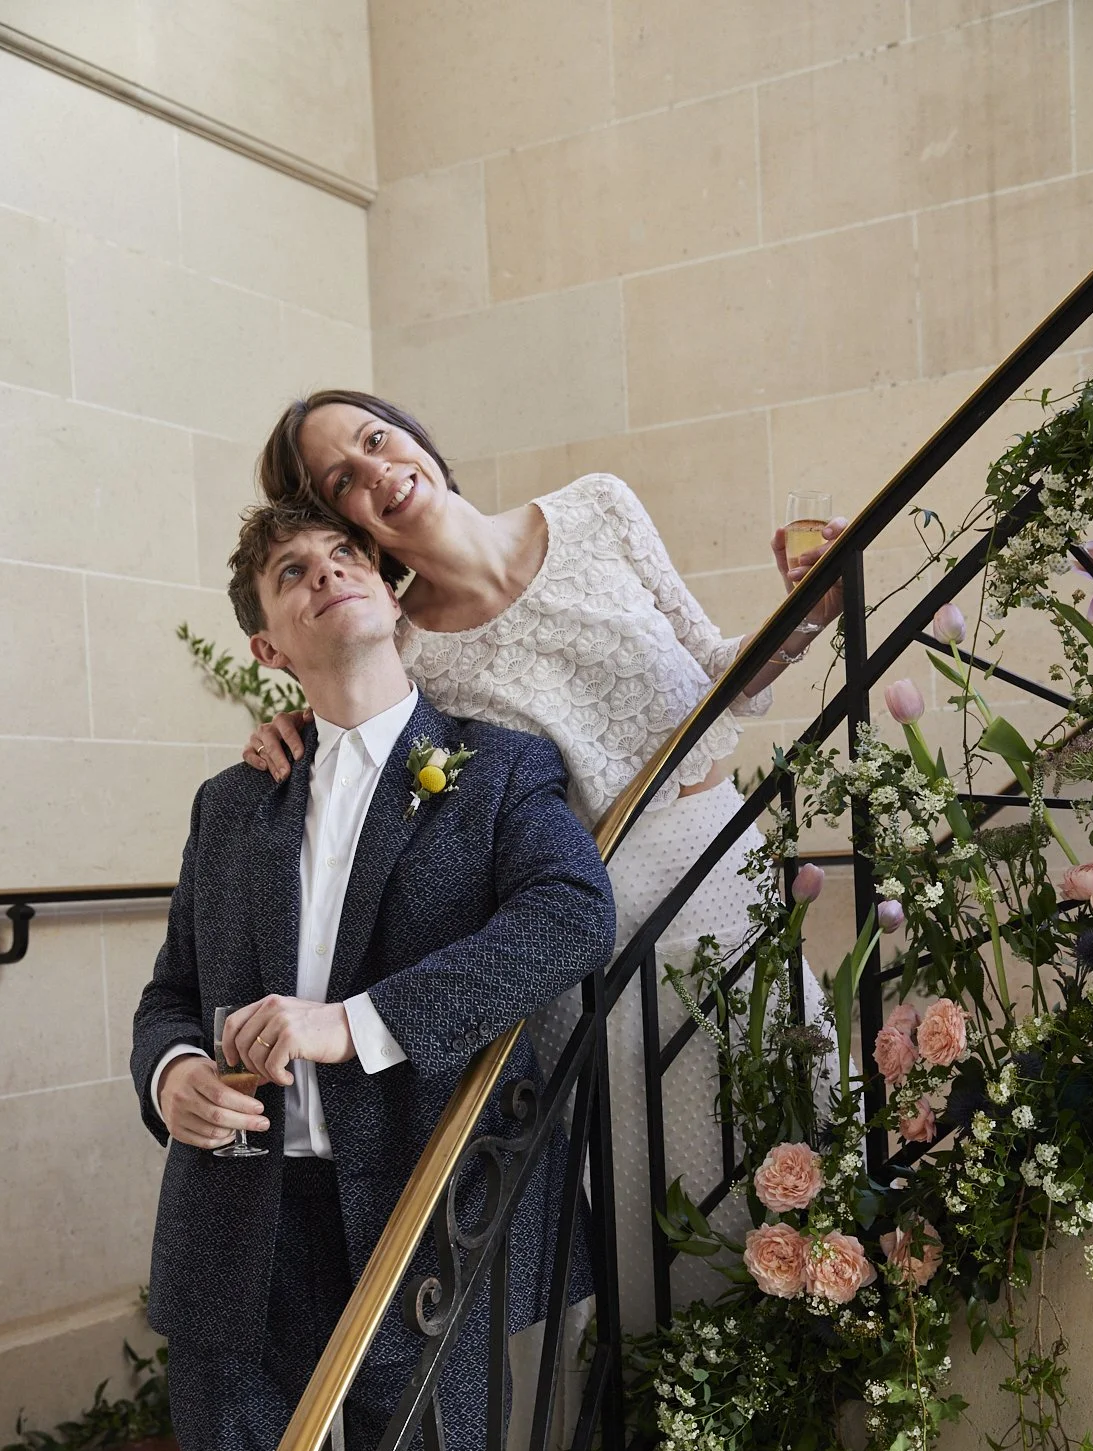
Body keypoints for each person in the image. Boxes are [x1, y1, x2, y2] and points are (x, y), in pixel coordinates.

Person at [130, 499, 616, 1451]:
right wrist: (173, 1075)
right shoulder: (230, 803)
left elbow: (574, 918)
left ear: (392, 600)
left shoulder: (499, 770)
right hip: (233, 1249)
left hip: (414, 1241)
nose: (327, 575)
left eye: (346, 557)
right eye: (295, 572)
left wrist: (354, 1026)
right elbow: (169, 995)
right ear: (270, 642)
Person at [245, 392, 845, 1325]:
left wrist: (810, 611)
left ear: (416, 434)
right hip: (590, 921)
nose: (378, 472)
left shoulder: (599, 507)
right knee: (658, 1178)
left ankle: (841, 1351)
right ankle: (697, 1414)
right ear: (343, 521)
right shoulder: (402, 648)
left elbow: (714, 665)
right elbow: (369, 736)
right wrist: (289, 728)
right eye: (343, 482)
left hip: (720, 861)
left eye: (375, 439)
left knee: (802, 1096)